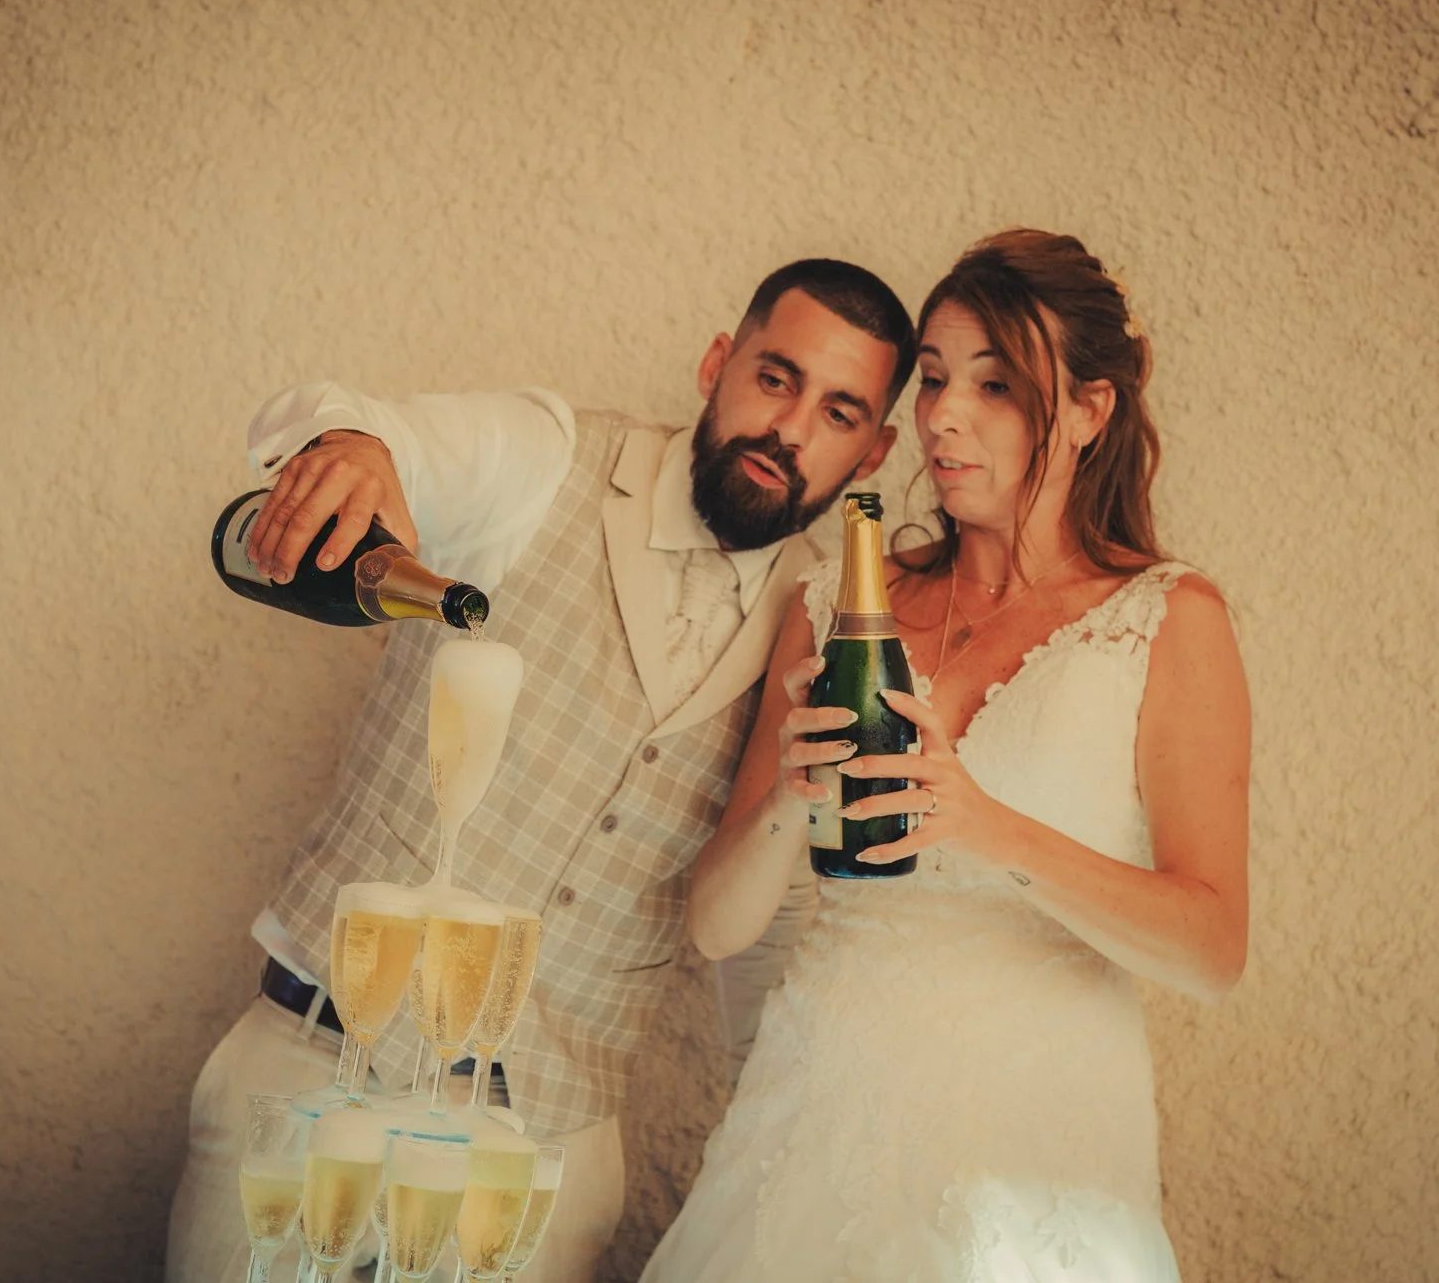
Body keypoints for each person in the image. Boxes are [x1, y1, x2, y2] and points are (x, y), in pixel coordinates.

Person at [165, 259, 919, 1283]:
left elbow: (758, 918)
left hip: (540, 1166)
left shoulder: (821, 617)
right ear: (717, 364)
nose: (789, 431)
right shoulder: (550, 457)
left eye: (837, 412)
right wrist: (356, 447)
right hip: (313, 1079)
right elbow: (389, 435)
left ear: (874, 451)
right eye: (774, 378)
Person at [642, 228, 1252, 1282]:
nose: (943, 416)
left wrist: (987, 826)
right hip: (814, 1117)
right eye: (932, 378)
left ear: (1089, 411)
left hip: (1035, 1141)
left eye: (995, 385)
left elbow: (1212, 948)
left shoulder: (1166, 620)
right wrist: (788, 795)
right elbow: (714, 926)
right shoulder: (838, 602)